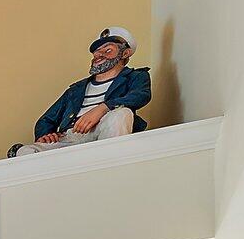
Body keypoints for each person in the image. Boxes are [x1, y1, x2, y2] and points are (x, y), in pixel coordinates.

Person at [10, 28, 150, 156]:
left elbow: (140, 95)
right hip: (70, 137)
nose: (99, 55)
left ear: (125, 53)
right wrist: (46, 135)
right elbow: (46, 119)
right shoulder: (77, 89)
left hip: (104, 130)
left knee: (122, 114)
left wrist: (102, 108)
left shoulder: (136, 76)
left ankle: (110, 163)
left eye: (107, 50)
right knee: (25, 151)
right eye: (97, 52)